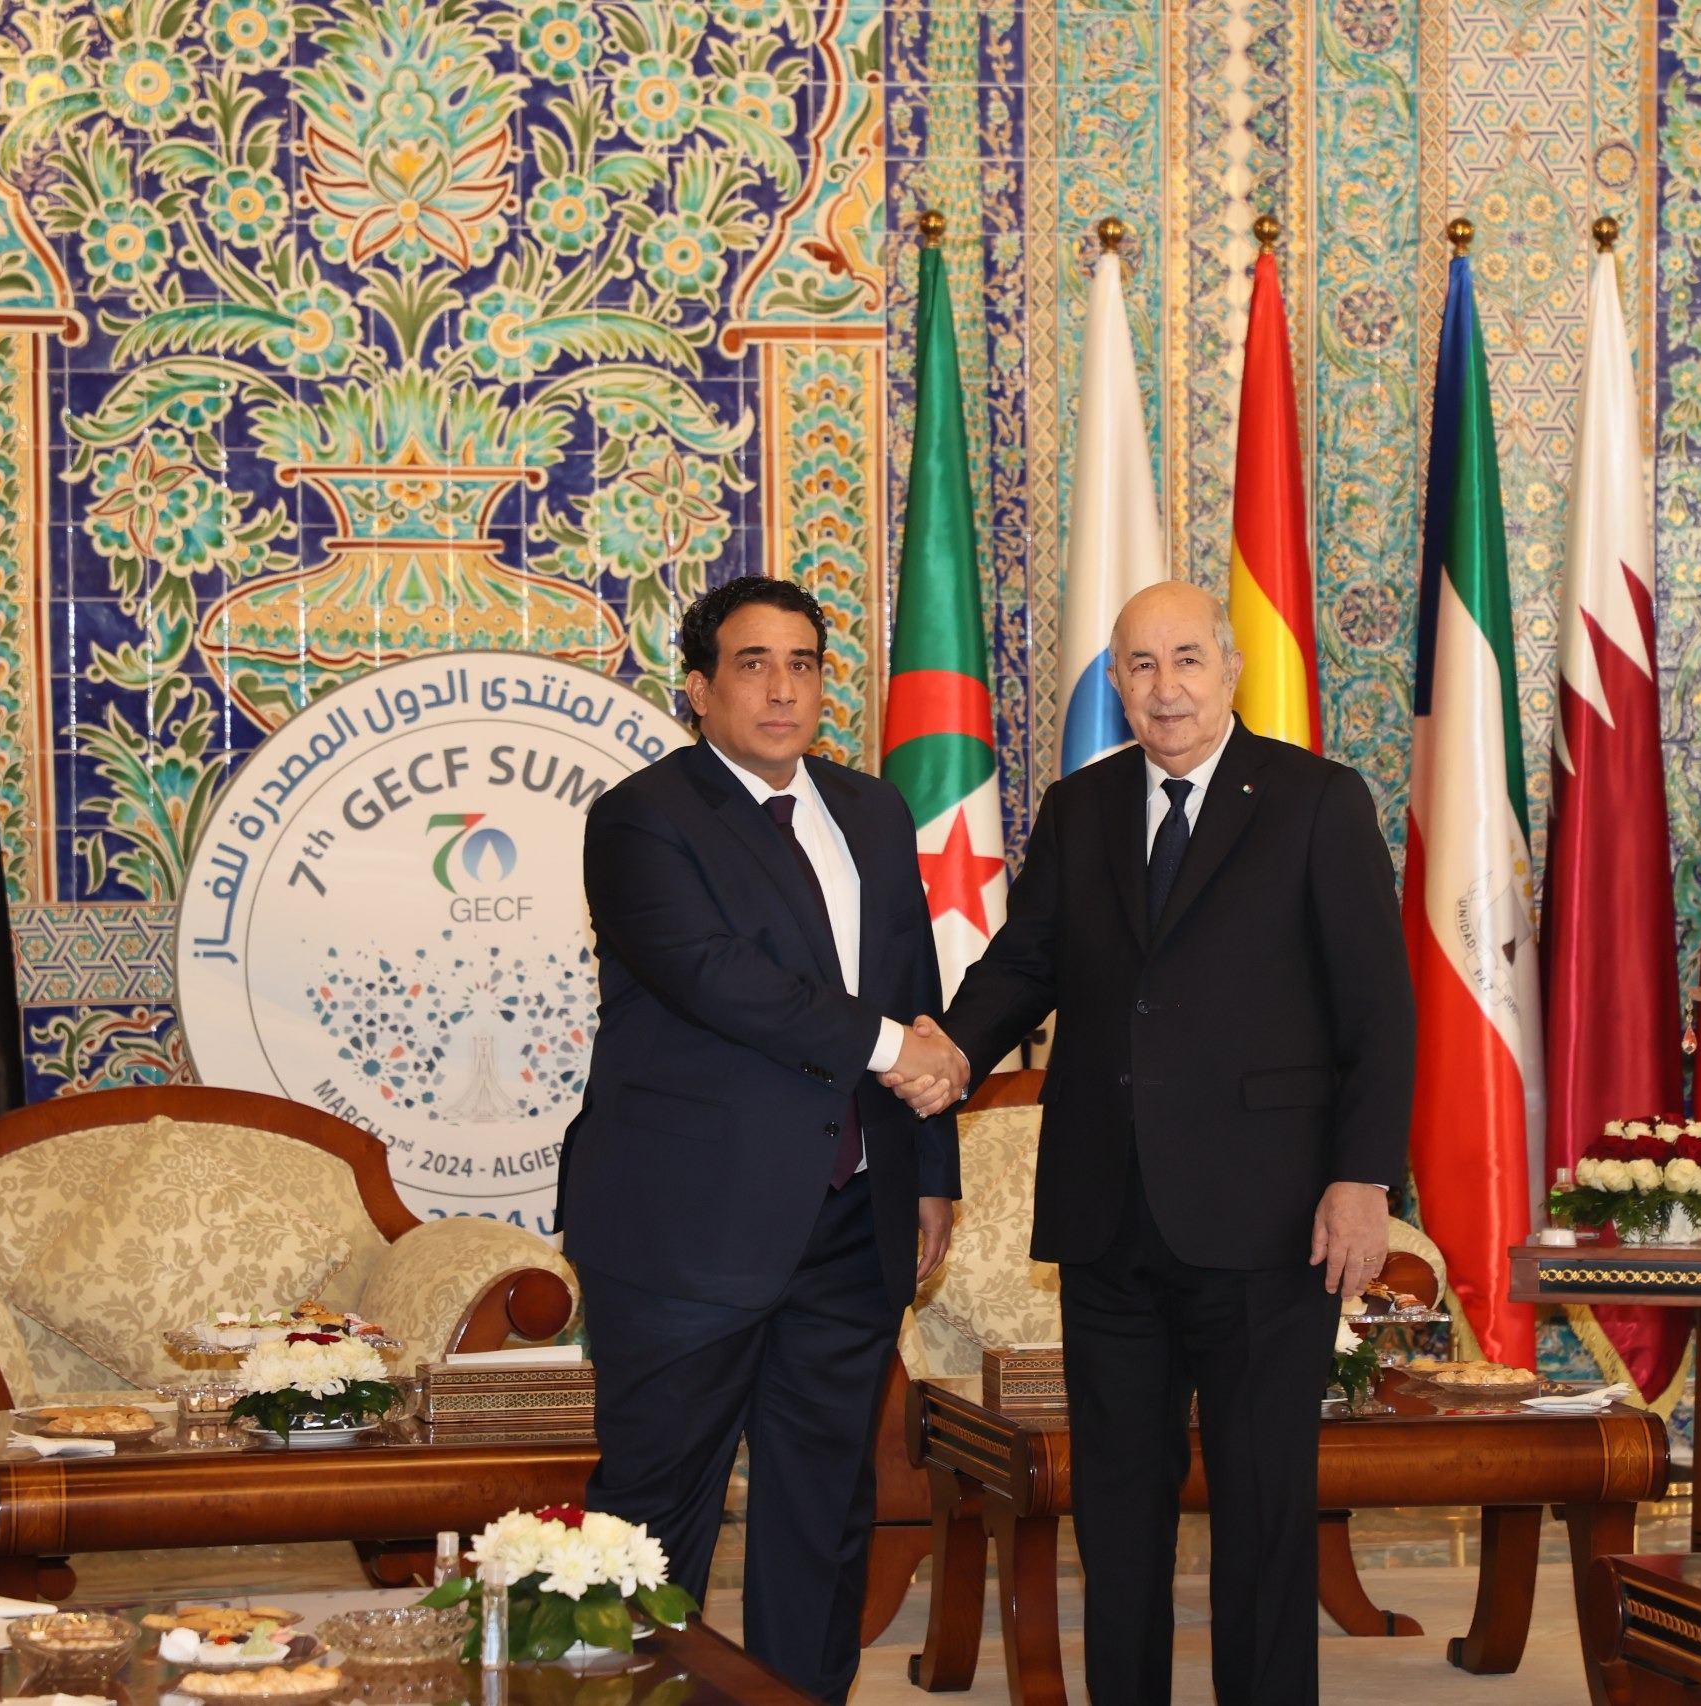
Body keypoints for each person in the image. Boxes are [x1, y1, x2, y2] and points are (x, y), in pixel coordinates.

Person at [906, 580, 1414, 1706]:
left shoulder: (1316, 800)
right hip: (1108, 1217)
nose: (1166, 687)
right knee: (1118, 1514)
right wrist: (950, 1051)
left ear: (1230, 668)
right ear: (1117, 684)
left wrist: (1361, 1176)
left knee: (1263, 1509)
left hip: (1269, 1218)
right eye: (1140, 664)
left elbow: (1379, 1010)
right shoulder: (1079, 806)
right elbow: (1024, 963)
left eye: (1187, 659)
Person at [560, 576, 965, 1704]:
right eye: (753, 663)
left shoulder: (873, 810)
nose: (783, 688)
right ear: (699, 689)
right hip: (685, 1229)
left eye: (804, 663)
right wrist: (892, 1046)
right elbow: (718, 978)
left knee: (825, 1513)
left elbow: (914, 987)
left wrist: (930, 1171)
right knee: (652, 1518)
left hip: (852, 1220)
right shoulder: (642, 817)